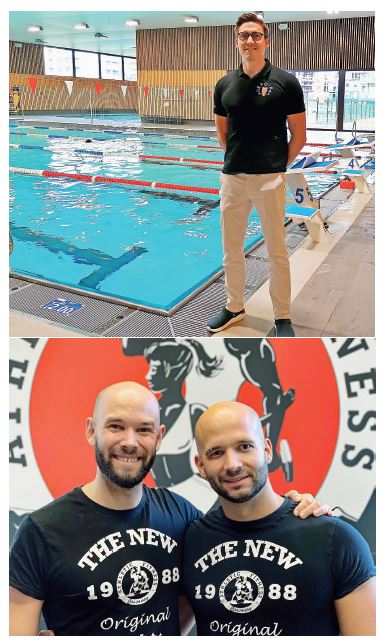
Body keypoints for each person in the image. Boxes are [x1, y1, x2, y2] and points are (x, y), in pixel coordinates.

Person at [9, 382, 331, 636]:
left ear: (160, 437)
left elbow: (247, 530)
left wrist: (296, 508)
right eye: (116, 426)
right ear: (91, 430)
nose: (130, 442)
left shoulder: (182, 516)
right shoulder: (42, 531)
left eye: (144, 429)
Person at [183, 401, 376, 636]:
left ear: (266, 449)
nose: (232, 465)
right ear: (201, 466)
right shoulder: (190, 541)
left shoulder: (335, 540)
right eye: (216, 453)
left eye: (244, 446)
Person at [207, 13, 307, 337]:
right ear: (237, 41)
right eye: (244, 35)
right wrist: (238, 161)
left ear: (266, 40)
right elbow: (222, 133)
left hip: (269, 180)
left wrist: (278, 167)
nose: (249, 40)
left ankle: (282, 315)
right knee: (231, 248)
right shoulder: (224, 84)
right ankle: (234, 306)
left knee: (277, 250)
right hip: (233, 178)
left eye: (256, 35)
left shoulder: (286, 82)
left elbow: (299, 135)